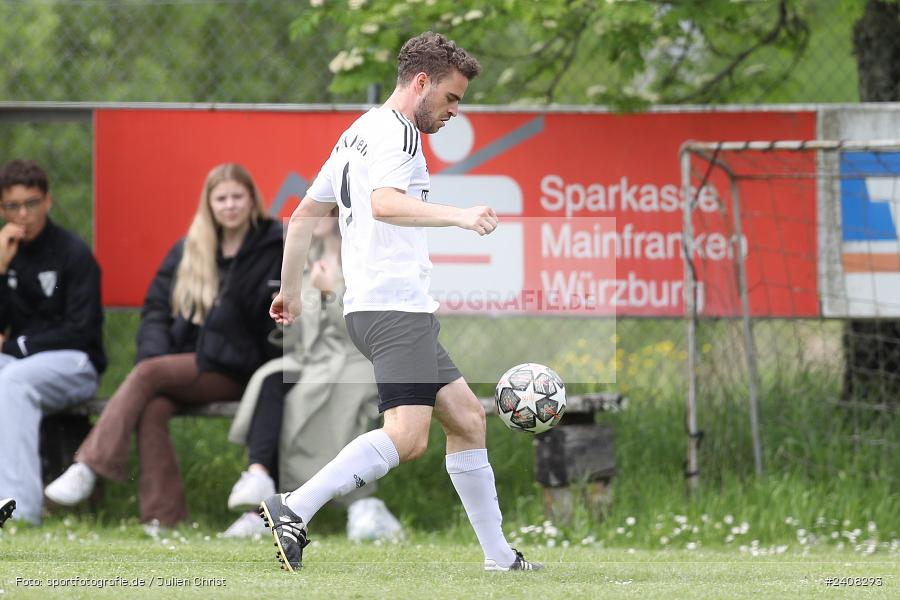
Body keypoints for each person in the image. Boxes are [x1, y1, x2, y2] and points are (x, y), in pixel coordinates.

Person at [259, 32, 542, 572]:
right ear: (421, 83)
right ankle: (294, 506)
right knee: (407, 438)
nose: (454, 110)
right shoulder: (400, 135)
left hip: (381, 307)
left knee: (465, 418)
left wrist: (289, 292)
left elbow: (301, 218)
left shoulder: (357, 132)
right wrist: (460, 216)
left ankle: (500, 558)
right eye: (452, 97)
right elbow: (385, 203)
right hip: (393, 309)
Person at [45, 163, 283, 530]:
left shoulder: (272, 246)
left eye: (238, 196)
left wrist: (160, 364)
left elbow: (265, 317)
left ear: (252, 200)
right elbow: (155, 309)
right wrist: (158, 357)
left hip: (240, 368)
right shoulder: (189, 248)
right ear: (209, 204)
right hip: (187, 365)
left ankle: (88, 466)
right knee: (153, 405)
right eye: (221, 198)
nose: (230, 205)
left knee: (148, 374)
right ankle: (162, 518)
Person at [223, 209, 402, 541]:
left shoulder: (363, 258)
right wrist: (284, 322)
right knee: (268, 378)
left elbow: (362, 329)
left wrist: (329, 292)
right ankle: (260, 479)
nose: (312, 218)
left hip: (355, 360)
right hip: (312, 360)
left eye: (321, 211)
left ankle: (300, 503)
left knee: (317, 402)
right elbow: (302, 332)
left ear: (339, 216)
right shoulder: (307, 260)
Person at [0, 159, 106, 525]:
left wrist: (18, 347)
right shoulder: (7, 253)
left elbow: (81, 329)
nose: (23, 214)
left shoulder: (72, 252)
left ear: (47, 201)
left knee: (12, 380)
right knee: (10, 377)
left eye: (31, 203)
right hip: (23, 366)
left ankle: (19, 511)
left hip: (76, 364)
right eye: (12, 206)